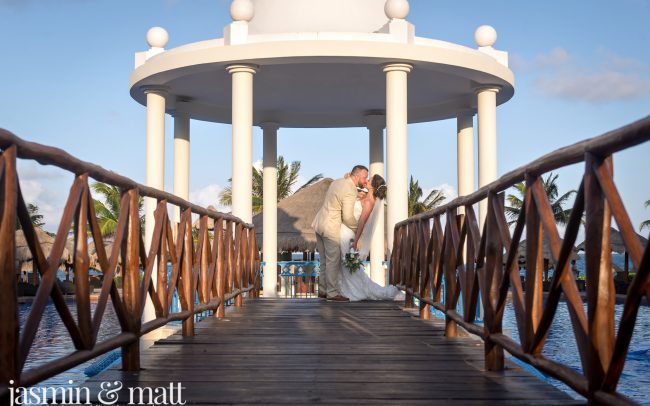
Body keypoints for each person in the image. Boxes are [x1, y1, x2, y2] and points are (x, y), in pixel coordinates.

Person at [339, 174, 404, 301]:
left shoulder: (369, 202)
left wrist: (355, 241)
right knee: (345, 264)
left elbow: (362, 223)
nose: (367, 181)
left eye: (369, 180)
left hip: (349, 235)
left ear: (373, 186)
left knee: (345, 263)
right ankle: (345, 289)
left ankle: (351, 290)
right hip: (346, 232)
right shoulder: (365, 197)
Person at [312, 165, 369, 301]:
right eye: (365, 177)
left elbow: (342, 197)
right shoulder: (349, 189)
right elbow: (348, 217)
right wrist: (358, 231)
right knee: (333, 261)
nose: (366, 180)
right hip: (330, 227)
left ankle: (323, 290)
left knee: (325, 260)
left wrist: (357, 194)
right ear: (356, 176)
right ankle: (332, 293)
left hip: (319, 223)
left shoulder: (337, 182)